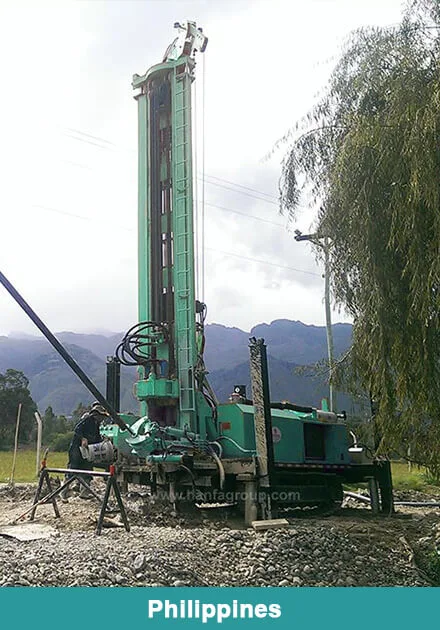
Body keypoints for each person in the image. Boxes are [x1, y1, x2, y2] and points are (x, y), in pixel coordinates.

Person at [60, 402, 110, 500]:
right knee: (72, 470)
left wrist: (103, 441)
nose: (102, 419)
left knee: (87, 470)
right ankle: (63, 493)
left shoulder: (96, 425)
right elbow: (77, 429)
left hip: (87, 451)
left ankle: (84, 493)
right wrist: (82, 438)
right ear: (96, 414)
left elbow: (96, 437)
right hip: (76, 449)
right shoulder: (87, 419)